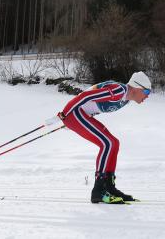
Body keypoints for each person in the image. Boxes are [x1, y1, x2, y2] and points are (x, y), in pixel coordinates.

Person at [53, 71, 151, 204]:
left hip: (81, 115)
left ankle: (109, 187)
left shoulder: (126, 100)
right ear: (137, 87)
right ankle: (98, 190)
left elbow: (95, 105)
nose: (147, 97)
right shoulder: (118, 91)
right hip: (74, 113)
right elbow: (85, 96)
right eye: (146, 93)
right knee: (107, 143)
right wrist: (65, 113)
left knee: (114, 143)